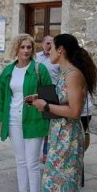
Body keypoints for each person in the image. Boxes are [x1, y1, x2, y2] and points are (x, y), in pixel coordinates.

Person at [33, 34, 97, 192]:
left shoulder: (73, 74)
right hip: (59, 134)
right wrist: (39, 99)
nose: (47, 51)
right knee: (54, 185)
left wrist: (46, 106)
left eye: (50, 47)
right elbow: (66, 101)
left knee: (66, 186)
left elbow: (74, 111)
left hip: (69, 137)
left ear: (61, 49)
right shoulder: (65, 73)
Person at [0, 34, 51, 192]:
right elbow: (2, 97)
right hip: (13, 119)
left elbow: (50, 95)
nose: (26, 50)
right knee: (20, 160)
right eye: (23, 47)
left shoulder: (39, 69)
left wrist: (48, 121)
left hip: (34, 119)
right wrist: (1, 119)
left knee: (32, 162)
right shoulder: (8, 70)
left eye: (29, 47)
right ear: (16, 49)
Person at [36, 35, 61, 164]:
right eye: (47, 43)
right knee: (41, 123)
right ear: (42, 44)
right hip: (39, 92)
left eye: (52, 43)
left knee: (50, 123)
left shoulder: (57, 58)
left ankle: (47, 153)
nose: (49, 46)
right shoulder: (37, 57)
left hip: (53, 93)